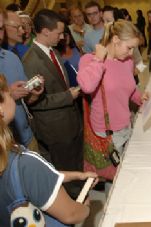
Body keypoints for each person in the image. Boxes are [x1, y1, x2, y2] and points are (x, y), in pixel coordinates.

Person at [0, 74, 98, 226]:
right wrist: (86, 208)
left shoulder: (9, 156)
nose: (11, 94)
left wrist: (76, 176)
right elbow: (71, 215)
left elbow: (35, 179)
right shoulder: (25, 162)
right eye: (7, 92)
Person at [22, 9, 83, 199]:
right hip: (55, 129)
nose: (63, 36)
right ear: (45, 31)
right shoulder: (31, 61)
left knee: (76, 164)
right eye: (59, 33)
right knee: (65, 171)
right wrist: (68, 96)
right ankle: (74, 206)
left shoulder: (54, 51)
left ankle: (81, 193)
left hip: (70, 122)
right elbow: (35, 103)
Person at [77, 20, 148, 154]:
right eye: (129, 47)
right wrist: (98, 59)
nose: (132, 53)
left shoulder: (127, 61)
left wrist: (140, 97)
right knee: (112, 173)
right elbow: (86, 86)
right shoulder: (89, 60)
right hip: (105, 133)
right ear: (115, 39)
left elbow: (128, 89)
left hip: (126, 126)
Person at [0, 8, 41, 151]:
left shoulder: (12, 58)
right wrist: (8, 95)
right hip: (4, 147)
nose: (23, 31)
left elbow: (27, 100)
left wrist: (33, 93)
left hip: (27, 139)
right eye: (17, 27)